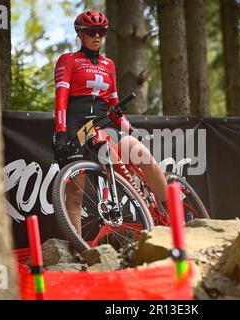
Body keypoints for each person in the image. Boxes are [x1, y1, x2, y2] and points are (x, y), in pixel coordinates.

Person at [53, 10, 168, 236]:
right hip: (77, 129)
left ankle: (174, 216)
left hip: (105, 126)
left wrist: (129, 129)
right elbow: (60, 102)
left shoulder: (109, 65)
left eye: (102, 32)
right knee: (75, 194)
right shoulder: (68, 60)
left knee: (145, 158)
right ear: (80, 35)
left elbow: (115, 106)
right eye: (91, 32)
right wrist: (61, 134)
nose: (97, 36)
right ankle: (80, 251)